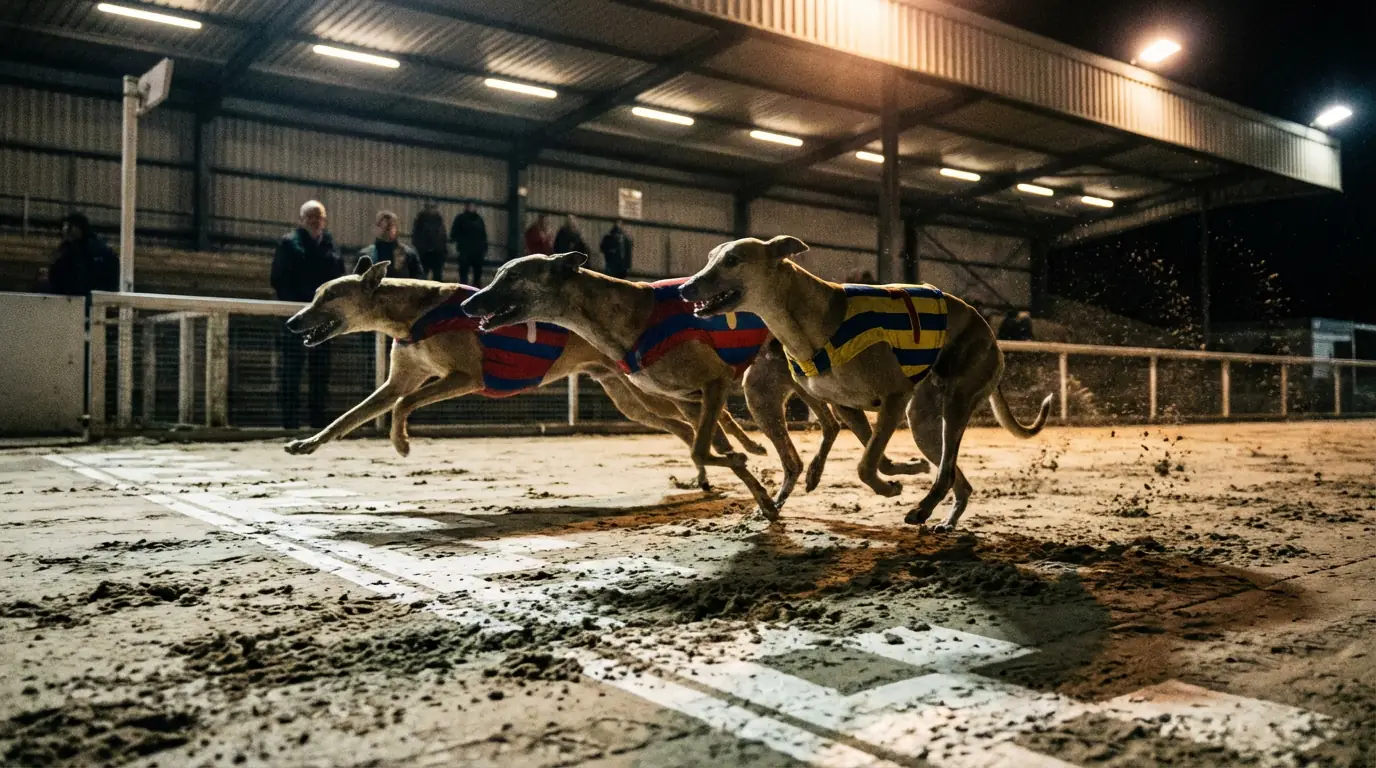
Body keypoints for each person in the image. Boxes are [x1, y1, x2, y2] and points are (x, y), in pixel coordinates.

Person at [271, 200, 344, 430]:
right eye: (310, 216)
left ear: (324, 219)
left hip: (322, 320)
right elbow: (279, 278)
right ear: (302, 219)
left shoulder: (331, 245)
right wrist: (300, 308)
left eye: (319, 216)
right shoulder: (289, 243)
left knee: (320, 371)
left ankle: (317, 421)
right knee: (291, 370)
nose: (315, 220)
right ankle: (290, 422)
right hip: (297, 317)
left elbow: (338, 278)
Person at [47, 211, 119, 296]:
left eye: (69, 227)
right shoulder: (64, 250)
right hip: (70, 298)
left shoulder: (98, 249)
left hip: (91, 297)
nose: (65, 231)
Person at [358, 210, 423, 279]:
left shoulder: (409, 254)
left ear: (396, 229)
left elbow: (419, 279)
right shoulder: (365, 255)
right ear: (376, 228)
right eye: (382, 226)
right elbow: (357, 281)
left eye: (389, 226)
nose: (386, 229)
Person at [450, 202, 489, 286]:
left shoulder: (478, 219)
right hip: (465, 251)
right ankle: (464, 293)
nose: (471, 208)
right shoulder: (461, 219)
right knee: (464, 276)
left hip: (477, 251)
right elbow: (454, 234)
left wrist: (484, 247)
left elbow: (483, 235)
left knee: (477, 276)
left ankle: (475, 294)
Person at [411, 201, 448, 281]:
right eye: (430, 207)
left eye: (433, 207)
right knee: (423, 275)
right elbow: (416, 235)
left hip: (437, 252)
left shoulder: (439, 219)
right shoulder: (421, 220)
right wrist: (420, 248)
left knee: (437, 277)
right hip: (424, 252)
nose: (432, 210)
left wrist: (443, 250)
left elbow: (442, 236)